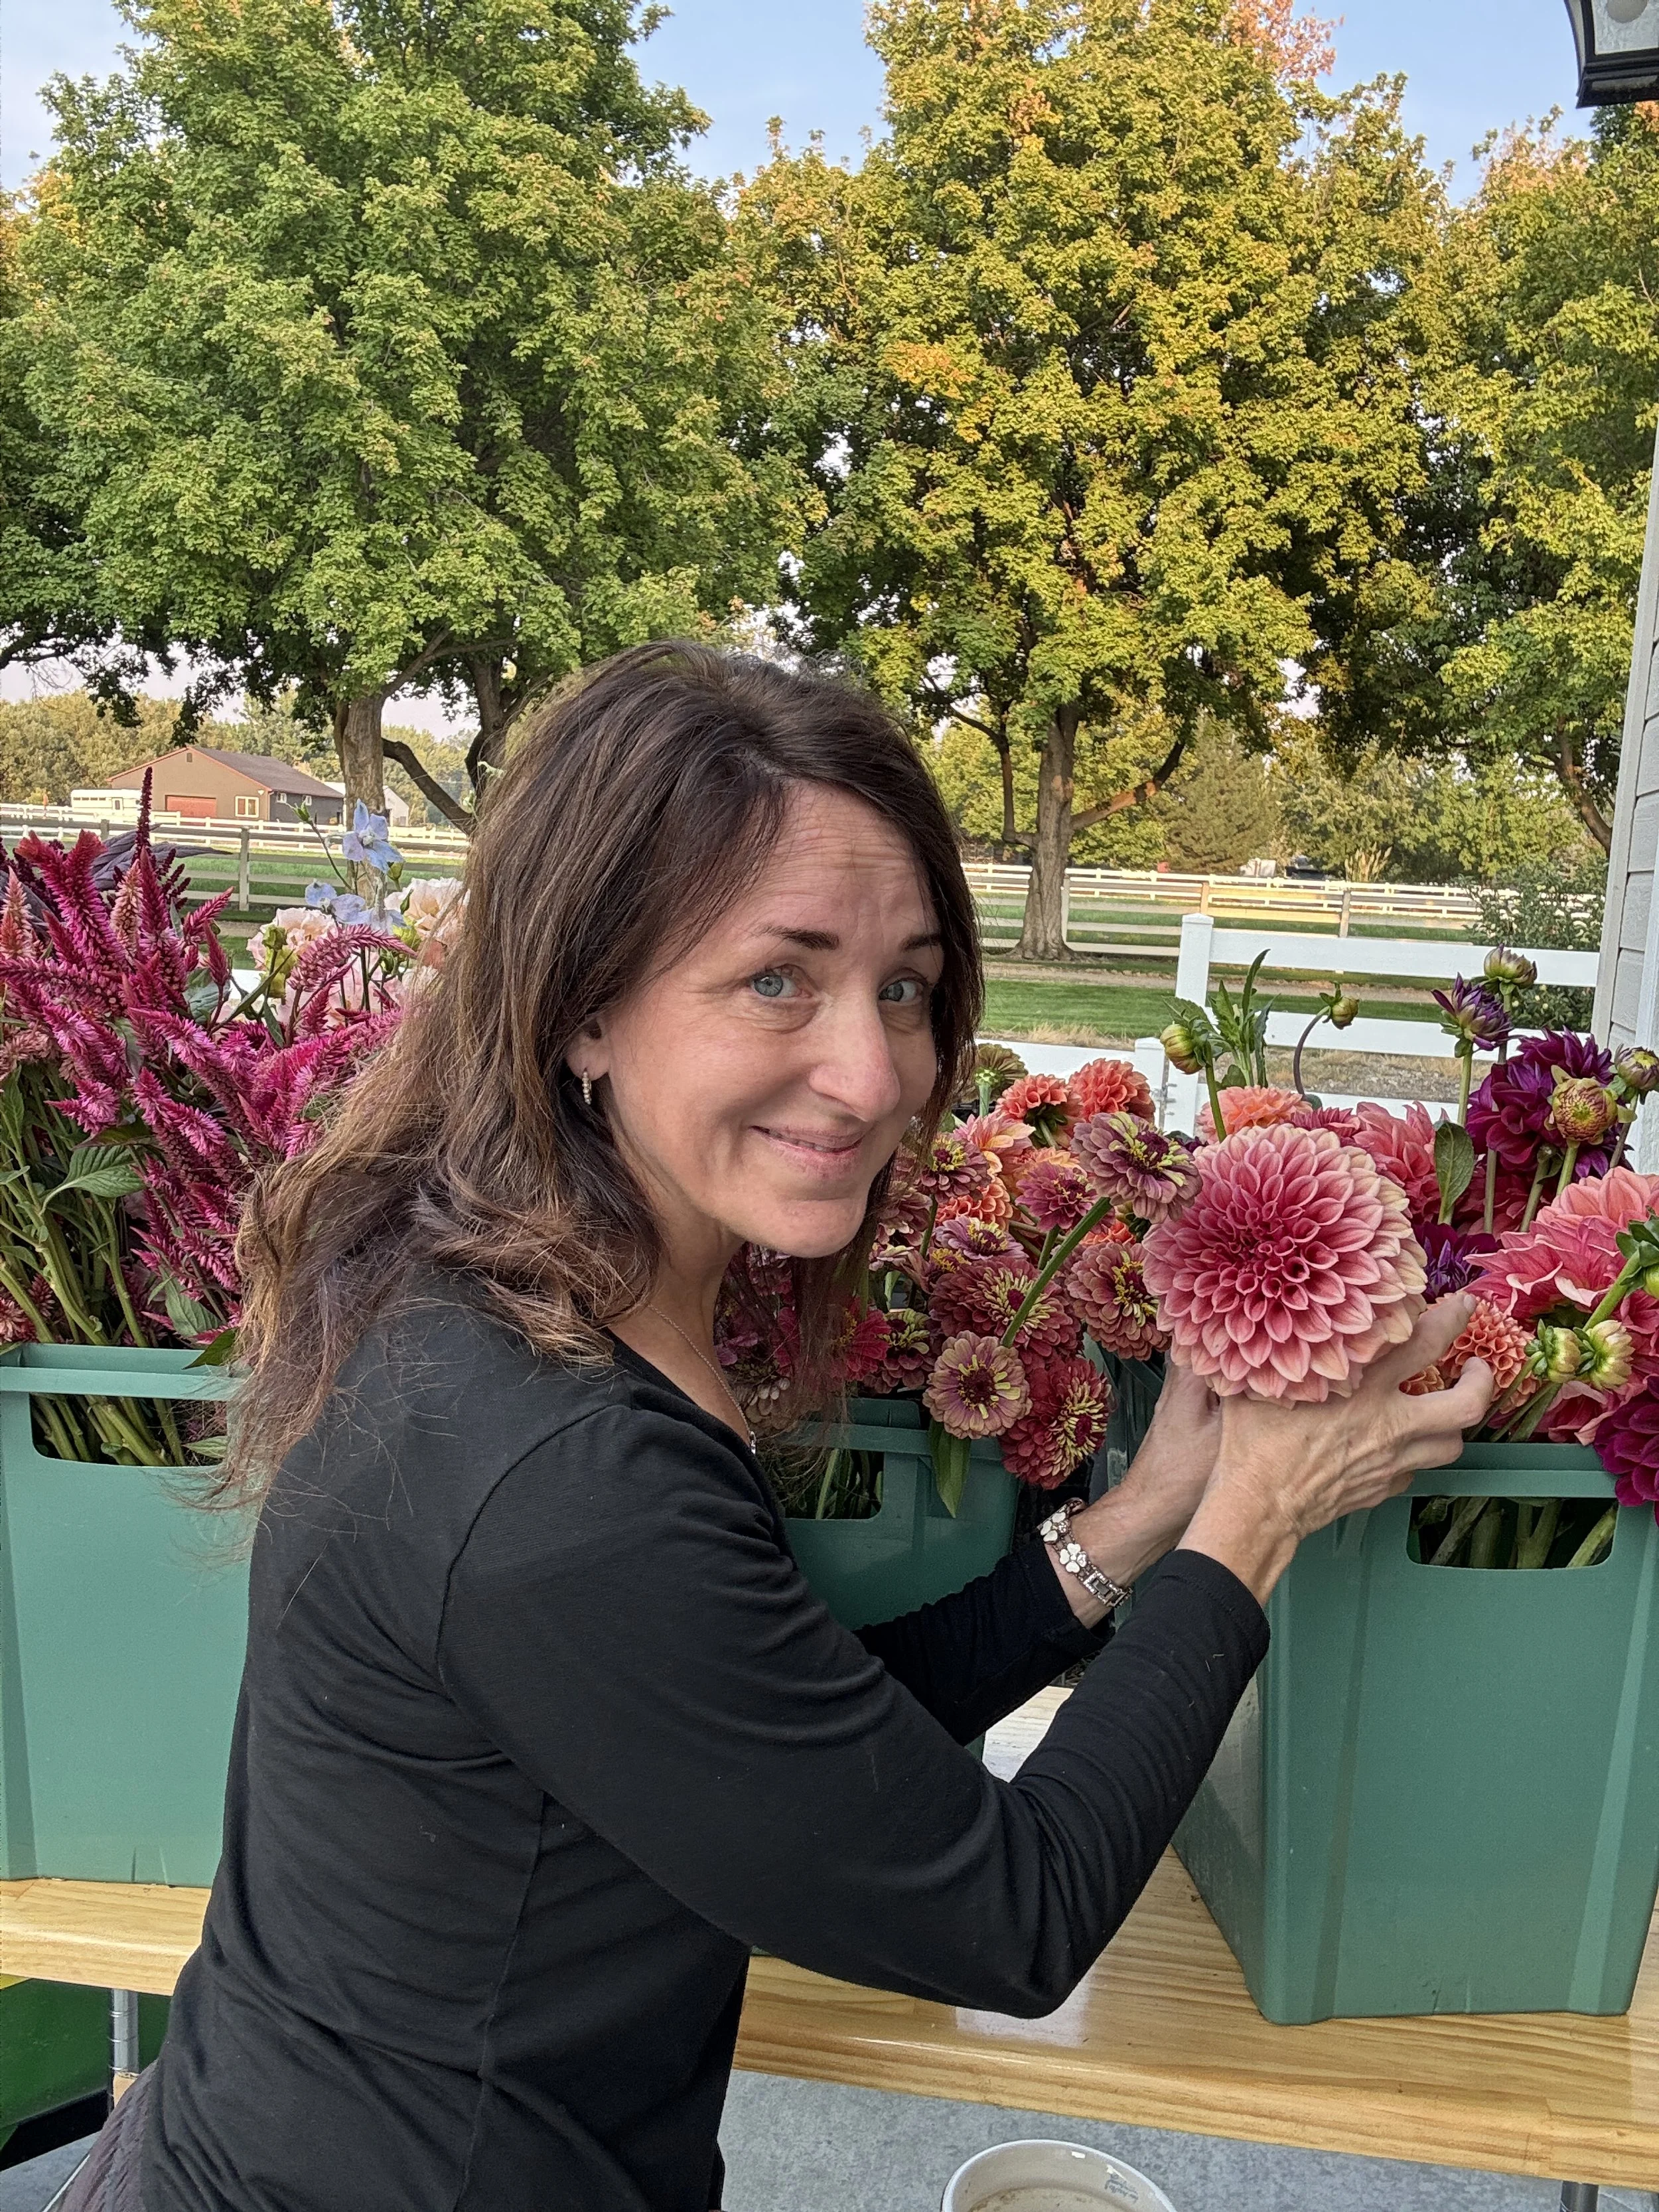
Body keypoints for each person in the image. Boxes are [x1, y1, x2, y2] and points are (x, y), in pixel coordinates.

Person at [65, 644, 1492, 2212]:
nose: (872, 1071)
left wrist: (1137, 1520)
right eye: (775, 978)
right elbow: (1004, 1918)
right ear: (583, 1009)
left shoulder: (516, 1300)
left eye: (905, 985)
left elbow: (777, 1730)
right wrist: (1258, 1522)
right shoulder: (555, 1467)